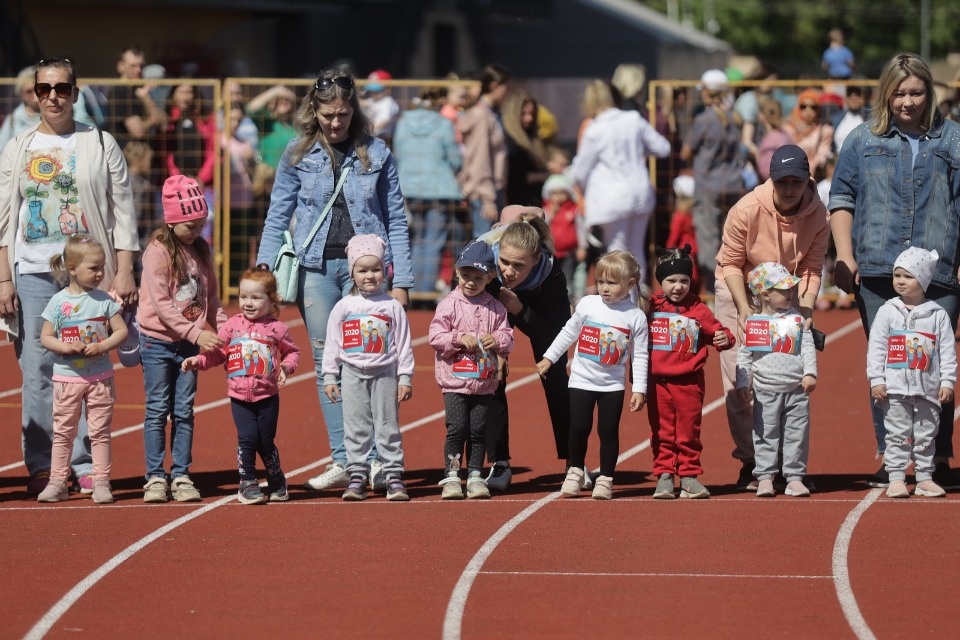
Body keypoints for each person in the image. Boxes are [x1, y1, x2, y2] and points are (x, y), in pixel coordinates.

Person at [255, 69, 412, 493]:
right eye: (328, 114)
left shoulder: (376, 152)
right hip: (315, 269)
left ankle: (379, 460)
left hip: (368, 272)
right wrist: (263, 270)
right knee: (331, 362)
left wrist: (403, 280)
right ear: (314, 110)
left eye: (343, 113)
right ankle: (345, 460)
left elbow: (395, 217)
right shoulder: (296, 152)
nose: (335, 122)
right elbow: (277, 215)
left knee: (375, 361)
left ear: (353, 110)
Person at [0, 57, 140, 496]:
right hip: (34, 270)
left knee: (89, 363)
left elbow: (123, 210)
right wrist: (4, 278)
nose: (53, 97)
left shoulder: (99, 142)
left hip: (89, 274)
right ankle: (44, 464)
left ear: (75, 93)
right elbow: (5, 216)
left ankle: (81, 463)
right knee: (39, 368)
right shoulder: (18, 146)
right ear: (34, 94)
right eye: (45, 89)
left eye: (62, 89)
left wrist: (125, 270)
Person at [829, 52, 960, 487]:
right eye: (900, 93)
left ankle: (936, 456)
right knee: (888, 364)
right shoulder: (862, 139)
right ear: (886, 93)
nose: (908, 101)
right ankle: (891, 454)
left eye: (917, 92)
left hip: (939, 273)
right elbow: (842, 199)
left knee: (933, 362)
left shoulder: (953, 139)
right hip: (879, 269)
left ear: (930, 92)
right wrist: (845, 257)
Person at [716, 144, 829, 490]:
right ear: (772, 180)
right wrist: (744, 309)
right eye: (783, 182)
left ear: (807, 179)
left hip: (786, 291)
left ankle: (786, 462)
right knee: (740, 380)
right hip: (739, 290)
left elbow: (811, 266)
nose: (790, 188)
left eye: (797, 180)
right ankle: (752, 461)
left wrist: (806, 306)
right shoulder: (746, 209)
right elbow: (731, 262)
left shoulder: (818, 215)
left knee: (788, 377)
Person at [137, 175, 227, 503]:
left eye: (201, 224)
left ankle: (182, 474)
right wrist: (196, 332)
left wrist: (227, 330)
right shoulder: (157, 253)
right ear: (172, 222)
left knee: (185, 410)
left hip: (189, 344)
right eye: (191, 226)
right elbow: (162, 305)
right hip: (158, 343)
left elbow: (211, 299)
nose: (197, 231)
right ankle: (154, 477)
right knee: (158, 408)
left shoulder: (201, 251)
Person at [182, 268, 301, 505]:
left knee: (265, 441)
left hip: (267, 396)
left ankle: (276, 478)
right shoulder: (232, 326)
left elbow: (292, 352)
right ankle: (247, 482)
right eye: (244, 296)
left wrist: (287, 368)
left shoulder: (278, 329)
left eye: (256, 298)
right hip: (239, 396)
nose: (248, 302)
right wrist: (199, 361)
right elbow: (217, 355)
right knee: (247, 438)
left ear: (271, 299)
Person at [536, 250, 648, 500]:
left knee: (608, 432)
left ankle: (606, 478)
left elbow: (639, 355)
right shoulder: (588, 304)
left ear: (630, 284)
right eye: (600, 282)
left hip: (612, 386)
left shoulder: (635, 316)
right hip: (581, 380)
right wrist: (549, 358)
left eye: (612, 283)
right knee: (578, 428)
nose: (604, 288)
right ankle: (575, 471)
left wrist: (639, 388)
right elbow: (568, 332)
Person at [479, 206, 572, 490]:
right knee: (490, 376)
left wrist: (520, 310)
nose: (509, 271)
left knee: (555, 375)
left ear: (536, 259)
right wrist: (499, 352)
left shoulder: (551, 271)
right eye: (505, 262)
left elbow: (556, 333)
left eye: (519, 265)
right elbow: (462, 308)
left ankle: (574, 462)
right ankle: (499, 463)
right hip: (489, 304)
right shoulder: (480, 260)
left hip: (534, 305)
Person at [35, 235, 128, 504]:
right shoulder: (58, 302)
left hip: (100, 378)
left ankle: (100, 481)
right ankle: (57, 482)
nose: (100, 273)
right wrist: (64, 346)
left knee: (99, 432)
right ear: (72, 268)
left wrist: (102, 346)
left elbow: (120, 331)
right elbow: (46, 336)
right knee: (64, 432)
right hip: (67, 378)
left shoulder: (104, 301)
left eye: (102, 267)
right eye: (94, 268)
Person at [321, 235, 414, 502]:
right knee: (356, 427)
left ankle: (393, 474)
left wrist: (405, 377)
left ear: (385, 271)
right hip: (351, 375)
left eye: (376, 269)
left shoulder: (392, 306)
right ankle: (358, 476)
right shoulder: (344, 306)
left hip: (384, 375)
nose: (370, 276)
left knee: (387, 426)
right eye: (363, 270)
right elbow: (333, 344)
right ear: (353, 273)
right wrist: (330, 374)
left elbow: (404, 344)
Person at [866, 247, 956, 499]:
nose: (900, 281)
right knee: (897, 433)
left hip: (927, 388)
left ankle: (925, 477)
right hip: (895, 388)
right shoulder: (887, 311)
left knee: (927, 433)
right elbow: (877, 347)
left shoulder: (937, 314)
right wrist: (876, 379)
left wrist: (947, 381)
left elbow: (947, 350)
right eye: (897, 276)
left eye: (908, 276)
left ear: (924, 280)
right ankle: (896, 476)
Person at [429, 240, 514, 499]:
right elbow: (435, 336)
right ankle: (452, 476)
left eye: (478, 277)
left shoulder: (496, 307)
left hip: (484, 383)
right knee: (457, 428)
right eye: (466, 275)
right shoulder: (448, 304)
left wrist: (497, 340)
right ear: (456, 272)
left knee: (479, 431)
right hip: (454, 382)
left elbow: (508, 337)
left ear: (489, 277)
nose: (470, 282)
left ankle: (476, 475)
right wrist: (457, 338)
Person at [648, 245, 733, 499]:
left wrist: (723, 338)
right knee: (662, 431)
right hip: (657, 383)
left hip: (689, 383)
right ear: (660, 281)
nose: (678, 286)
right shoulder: (650, 307)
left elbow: (722, 333)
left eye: (684, 280)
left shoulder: (698, 309)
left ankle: (688, 476)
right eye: (671, 280)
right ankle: (664, 475)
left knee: (688, 431)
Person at [568, 79, 670, 288]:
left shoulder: (595, 130)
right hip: (640, 194)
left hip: (612, 199)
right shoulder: (633, 119)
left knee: (617, 254)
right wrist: (637, 150)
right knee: (636, 253)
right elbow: (662, 148)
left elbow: (579, 171)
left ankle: (622, 311)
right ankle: (637, 307)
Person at [735, 262, 818, 498]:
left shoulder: (797, 320)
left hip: (797, 390)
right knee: (765, 435)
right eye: (783, 290)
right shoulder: (754, 322)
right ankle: (764, 477)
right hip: (765, 391)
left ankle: (793, 477)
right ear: (765, 295)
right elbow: (745, 356)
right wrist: (743, 383)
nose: (790, 293)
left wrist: (810, 373)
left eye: (791, 289)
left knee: (796, 435)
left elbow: (808, 348)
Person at [392, 86, 463, 306]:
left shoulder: (403, 123)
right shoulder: (443, 124)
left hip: (409, 188)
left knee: (416, 242)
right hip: (438, 190)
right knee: (433, 243)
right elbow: (455, 159)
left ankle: (413, 293)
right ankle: (426, 296)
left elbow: (398, 153)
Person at [681, 69, 745, 292]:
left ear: (709, 93)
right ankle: (732, 284)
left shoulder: (704, 119)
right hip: (733, 185)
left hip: (709, 186)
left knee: (708, 239)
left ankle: (713, 288)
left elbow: (686, 152)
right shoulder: (736, 117)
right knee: (730, 238)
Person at [458, 63, 510, 238]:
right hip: (484, 191)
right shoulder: (482, 116)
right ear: (495, 86)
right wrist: (488, 197)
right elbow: (480, 158)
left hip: (488, 189)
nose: (506, 93)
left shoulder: (488, 114)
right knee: (486, 242)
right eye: (505, 88)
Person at [106, 46, 167, 152]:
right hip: (127, 159)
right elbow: (138, 131)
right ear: (121, 67)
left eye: (141, 65)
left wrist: (146, 98)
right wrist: (154, 119)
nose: (138, 70)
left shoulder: (142, 90)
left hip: (145, 156)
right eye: (133, 66)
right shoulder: (120, 91)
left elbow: (165, 124)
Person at [541, 173, 585, 301]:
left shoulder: (573, 209)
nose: (558, 197)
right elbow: (542, 227)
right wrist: (550, 214)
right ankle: (551, 298)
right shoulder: (546, 209)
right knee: (550, 275)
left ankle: (568, 299)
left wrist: (583, 246)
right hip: (551, 252)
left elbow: (581, 228)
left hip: (569, 252)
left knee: (568, 276)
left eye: (562, 193)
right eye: (554, 193)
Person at [501, 89, 548, 206]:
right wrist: (546, 175)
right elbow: (515, 178)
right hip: (517, 204)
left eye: (532, 114)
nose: (529, 118)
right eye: (523, 114)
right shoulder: (510, 141)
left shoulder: (532, 138)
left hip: (533, 201)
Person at [784, 89, 834, 178]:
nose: (808, 110)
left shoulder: (824, 130)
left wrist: (807, 170)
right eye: (803, 106)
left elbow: (822, 154)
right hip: (789, 174)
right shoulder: (788, 128)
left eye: (813, 107)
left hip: (812, 176)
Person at [665, 175, 700, 295]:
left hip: (682, 248)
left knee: (686, 275)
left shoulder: (679, 215)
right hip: (695, 246)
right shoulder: (695, 212)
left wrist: (668, 250)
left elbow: (674, 235)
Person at [0, 67, 41, 152]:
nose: (35, 95)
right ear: (21, 94)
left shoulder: (56, 116)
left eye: (38, 90)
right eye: (29, 91)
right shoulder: (13, 119)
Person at [755, 96, 793, 182]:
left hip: (774, 183)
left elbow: (766, 170)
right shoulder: (785, 134)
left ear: (762, 116)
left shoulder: (770, 139)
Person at [362, 69, 400, 144]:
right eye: (371, 90)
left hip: (383, 138)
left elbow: (384, 121)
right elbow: (362, 103)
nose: (373, 93)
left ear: (388, 89)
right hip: (371, 136)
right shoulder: (374, 100)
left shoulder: (388, 102)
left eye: (377, 91)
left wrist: (368, 129)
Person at [830, 85, 869, 154]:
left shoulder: (870, 119)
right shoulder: (835, 119)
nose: (853, 98)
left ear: (863, 98)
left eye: (857, 95)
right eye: (850, 95)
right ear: (845, 98)